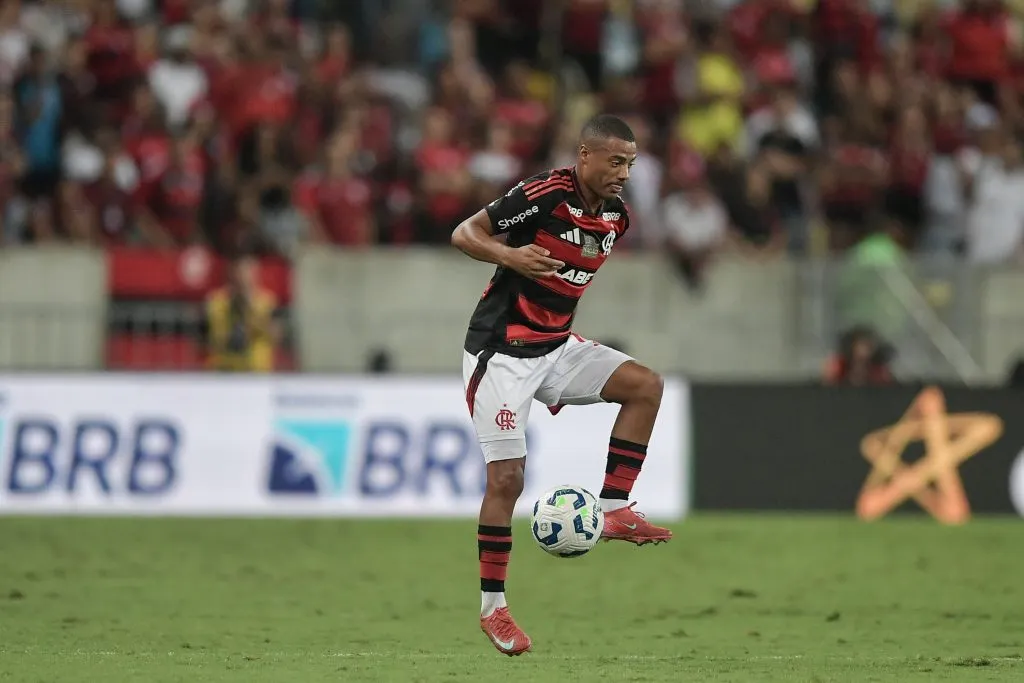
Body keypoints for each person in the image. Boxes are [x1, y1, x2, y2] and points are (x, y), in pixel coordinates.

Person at [451, 115, 671, 656]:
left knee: (645, 386)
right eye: (615, 161)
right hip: (501, 353)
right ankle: (493, 610)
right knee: (506, 480)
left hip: (555, 348)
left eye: (631, 163)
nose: (624, 173)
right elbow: (465, 233)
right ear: (585, 156)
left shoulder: (616, 219)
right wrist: (511, 255)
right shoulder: (546, 194)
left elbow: (564, 288)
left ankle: (614, 507)